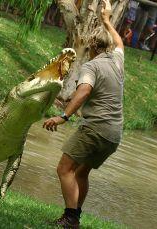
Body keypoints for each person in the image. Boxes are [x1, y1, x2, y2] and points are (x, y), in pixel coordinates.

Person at [43, 0, 124, 228]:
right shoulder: (117, 60)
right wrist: (107, 21)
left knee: (64, 168)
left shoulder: (92, 66)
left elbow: (83, 92)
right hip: (113, 134)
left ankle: (70, 218)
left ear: (91, 47)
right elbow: (120, 42)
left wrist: (63, 116)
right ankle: (74, 217)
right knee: (81, 173)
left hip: (95, 129)